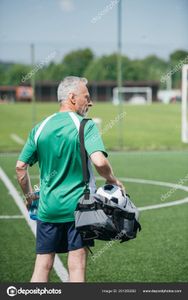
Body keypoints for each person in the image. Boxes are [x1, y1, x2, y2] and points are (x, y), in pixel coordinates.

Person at [16, 76, 124, 282]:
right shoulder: (85, 125)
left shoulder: (39, 128)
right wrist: (112, 180)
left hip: (48, 208)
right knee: (76, 267)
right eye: (87, 97)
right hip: (80, 210)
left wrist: (30, 196)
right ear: (72, 97)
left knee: (43, 265)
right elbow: (100, 162)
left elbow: (20, 168)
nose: (90, 102)